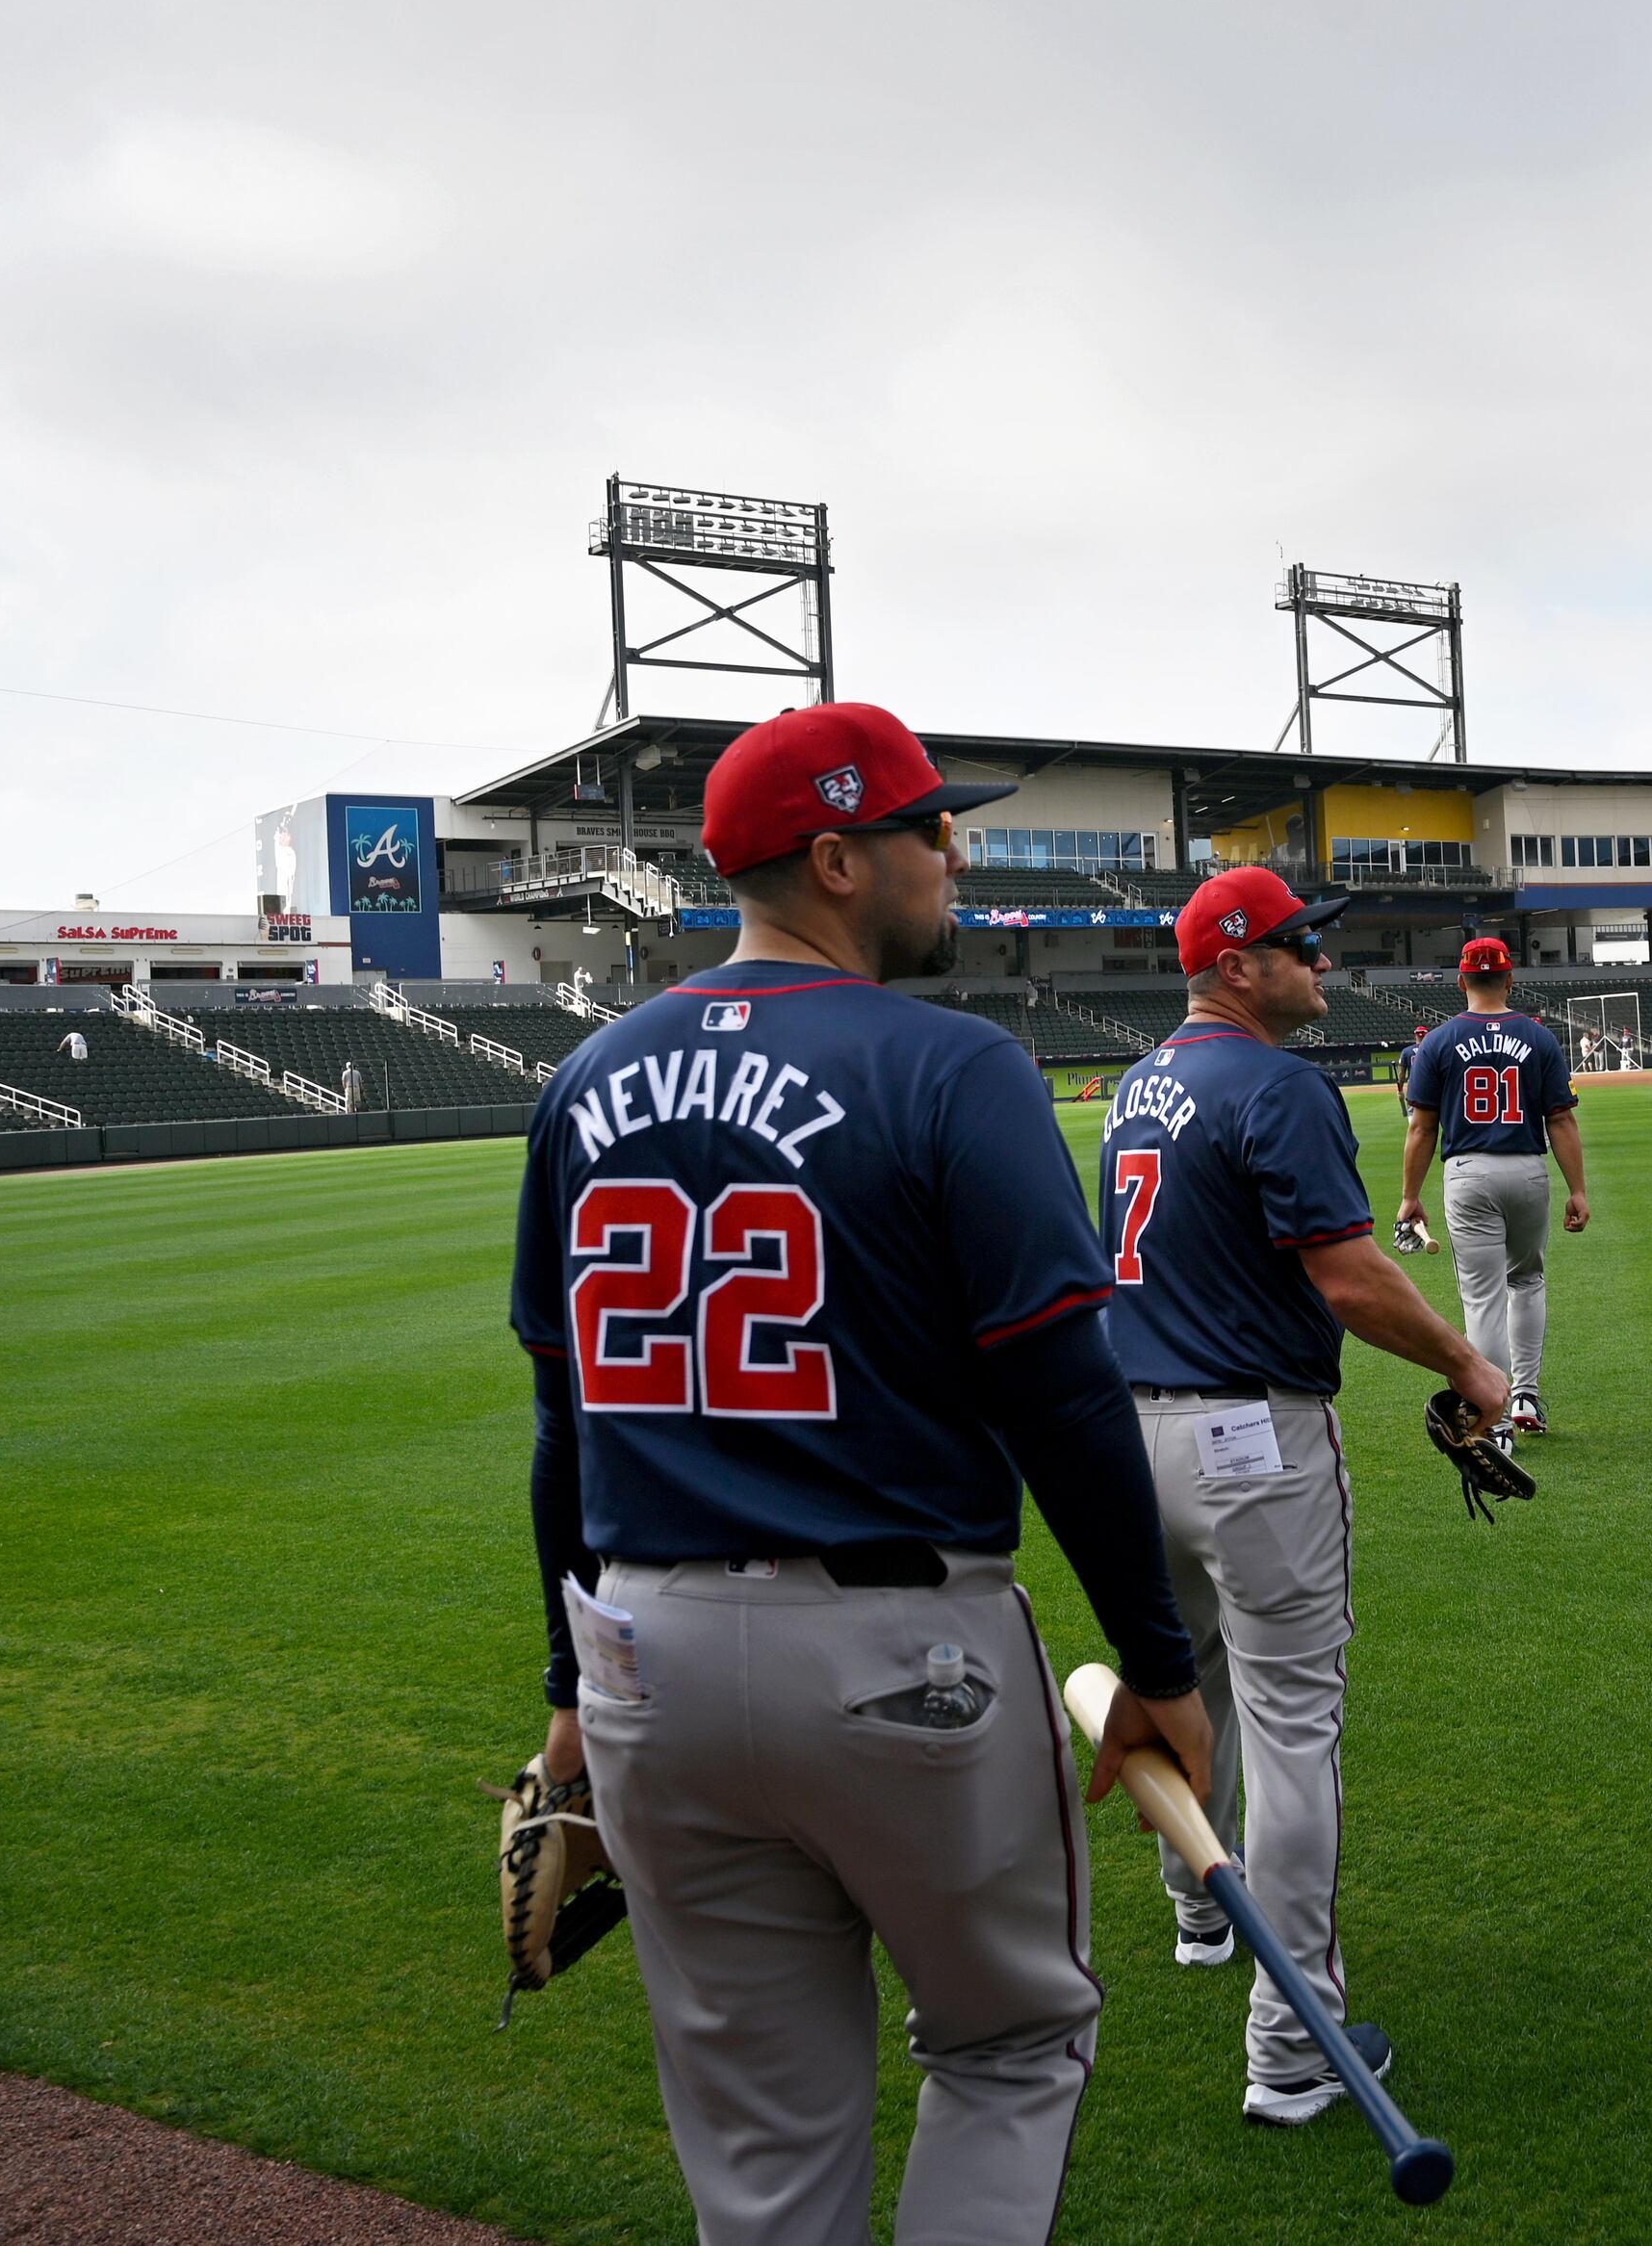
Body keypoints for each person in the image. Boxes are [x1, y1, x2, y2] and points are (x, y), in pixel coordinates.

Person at [508, 700, 1214, 2246]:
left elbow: (564, 1418)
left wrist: (568, 1681)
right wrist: (1158, 1656)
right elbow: (1062, 1392)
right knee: (1013, 2039)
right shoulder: (953, 1063)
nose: (953, 851)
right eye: (926, 827)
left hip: (648, 1657)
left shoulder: (589, 1080)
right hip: (900, 1651)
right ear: (836, 858)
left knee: (762, 2141)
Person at [1097, 865, 1512, 2126]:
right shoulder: (1277, 1083)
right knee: (1292, 1729)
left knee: (1187, 1674)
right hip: (1249, 1438)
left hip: (1133, 1432)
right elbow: (1347, 1276)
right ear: (1235, 965)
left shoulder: (1136, 1081)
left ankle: (1195, 1912)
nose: (1323, 965)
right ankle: (1294, 2041)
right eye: (1297, 947)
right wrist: (1466, 1361)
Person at [1392, 936, 1589, 1443]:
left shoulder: (1437, 1041)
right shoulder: (1539, 1037)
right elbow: (1561, 1120)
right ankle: (1525, 1394)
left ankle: (1494, 1420)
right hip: (1526, 1168)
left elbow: (1421, 1126)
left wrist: (1410, 1196)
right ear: (1509, 978)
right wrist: (1578, 1190)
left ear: (1461, 980)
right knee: (1526, 1281)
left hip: (1468, 1172)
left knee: (1482, 1299)